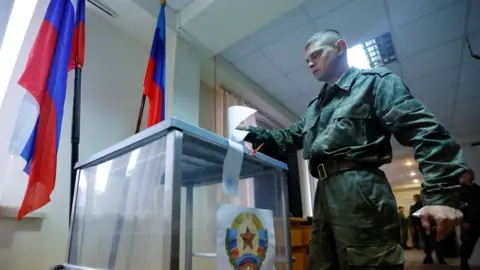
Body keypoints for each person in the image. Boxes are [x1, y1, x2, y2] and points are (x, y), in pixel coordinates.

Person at [238, 29, 469, 269]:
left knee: (368, 260)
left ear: (339, 47)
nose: (310, 63)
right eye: (307, 60)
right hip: (324, 192)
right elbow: (288, 137)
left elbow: (425, 132)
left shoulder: (374, 82)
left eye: (316, 55)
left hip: (361, 190)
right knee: (321, 262)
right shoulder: (315, 108)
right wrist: (247, 132)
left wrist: (442, 195)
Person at [460, 169, 480, 270]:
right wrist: (463, 221)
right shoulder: (460, 190)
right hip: (468, 221)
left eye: (466, 174)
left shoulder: (477, 188)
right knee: (468, 243)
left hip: (478, 219)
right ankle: (464, 262)